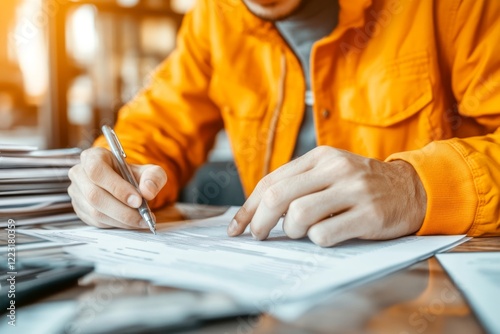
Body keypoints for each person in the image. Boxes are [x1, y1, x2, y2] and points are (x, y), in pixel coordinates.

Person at [68, 0, 500, 247]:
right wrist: (116, 178)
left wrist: (416, 189)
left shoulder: (452, 8)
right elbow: (150, 133)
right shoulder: (214, 20)